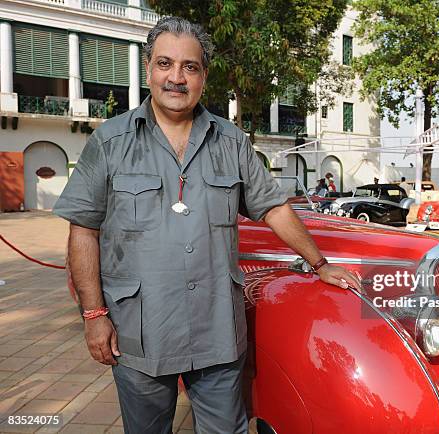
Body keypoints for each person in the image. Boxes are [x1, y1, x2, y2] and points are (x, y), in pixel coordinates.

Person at [52, 16, 359, 434]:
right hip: (140, 333)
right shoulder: (109, 143)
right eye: (165, 64)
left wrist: (320, 264)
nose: (176, 78)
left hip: (216, 329)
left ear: (203, 77)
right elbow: (83, 230)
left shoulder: (232, 142)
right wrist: (93, 315)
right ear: (148, 70)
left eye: (189, 67)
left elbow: (274, 208)